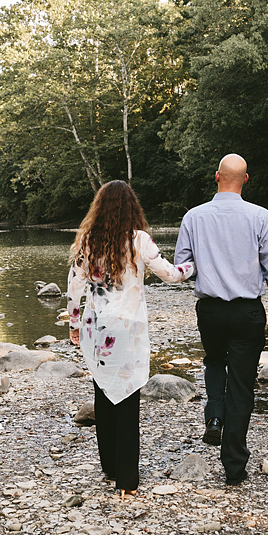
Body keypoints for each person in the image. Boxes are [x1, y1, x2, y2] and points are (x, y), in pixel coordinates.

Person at [66, 180, 193, 495]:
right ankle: (128, 481)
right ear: (131, 208)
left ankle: (109, 467)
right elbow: (171, 274)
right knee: (128, 400)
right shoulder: (140, 240)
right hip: (129, 330)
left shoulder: (87, 241)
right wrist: (192, 266)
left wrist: (73, 323)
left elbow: (73, 286)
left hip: (98, 328)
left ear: (99, 208)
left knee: (104, 394)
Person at [174, 153, 268, 485]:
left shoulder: (194, 217)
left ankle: (214, 418)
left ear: (216, 177)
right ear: (246, 179)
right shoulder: (260, 216)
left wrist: (207, 263)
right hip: (247, 311)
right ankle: (234, 467)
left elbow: (182, 265)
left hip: (210, 310)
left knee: (214, 361)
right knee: (241, 383)